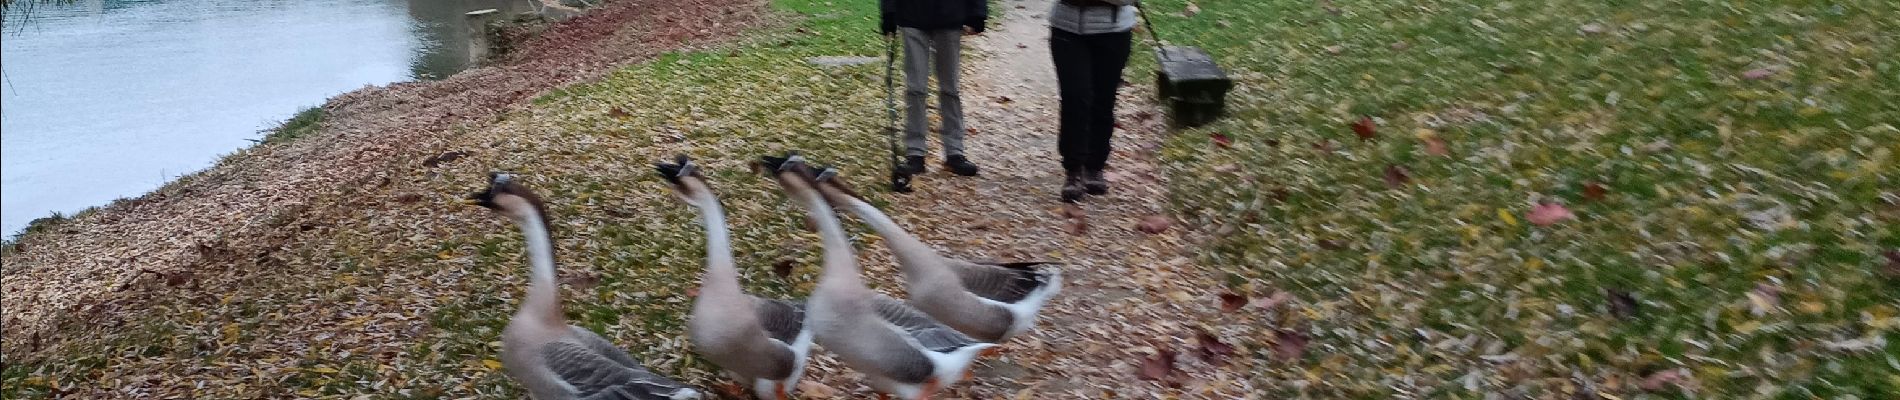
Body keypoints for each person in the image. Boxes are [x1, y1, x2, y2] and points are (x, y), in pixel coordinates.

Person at [881, 0, 988, 177]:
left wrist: (978, 12)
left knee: (950, 89)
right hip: (912, 16)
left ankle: (955, 152)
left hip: (950, 16)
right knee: (915, 89)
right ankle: (915, 153)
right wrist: (889, 12)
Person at [1049, 0, 1136, 202]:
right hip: (1067, 28)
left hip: (1114, 31)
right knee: (1075, 97)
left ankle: (1095, 166)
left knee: (1104, 98)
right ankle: (1073, 168)